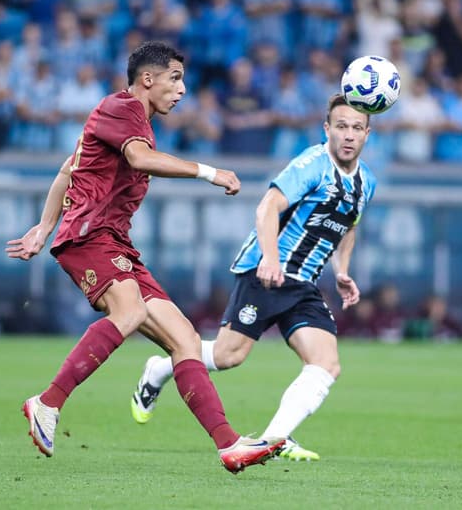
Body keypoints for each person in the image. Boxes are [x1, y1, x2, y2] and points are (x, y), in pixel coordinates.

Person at [5, 41, 283, 474]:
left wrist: (42, 228)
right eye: (175, 78)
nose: (183, 89)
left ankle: (229, 445)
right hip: (89, 236)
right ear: (147, 79)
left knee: (185, 340)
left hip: (115, 242)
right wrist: (208, 171)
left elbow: (67, 169)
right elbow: (139, 158)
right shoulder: (122, 108)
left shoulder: (131, 120)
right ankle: (47, 402)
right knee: (130, 311)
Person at [129, 94, 378, 462]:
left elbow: (349, 225)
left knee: (326, 363)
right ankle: (160, 368)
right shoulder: (311, 164)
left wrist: (342, 271)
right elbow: (267, 208)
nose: (348, 135)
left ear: (367, 134)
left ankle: (273, 439)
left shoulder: (366, 183)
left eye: (357, 128)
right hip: (265, 272)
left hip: (304, 283)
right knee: (229, 356)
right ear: (327, 129)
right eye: (341, 126)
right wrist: (272, 260)